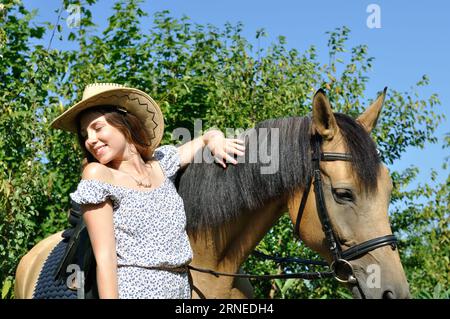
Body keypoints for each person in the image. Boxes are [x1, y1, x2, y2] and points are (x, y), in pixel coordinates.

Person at [51, 83, 245, 299]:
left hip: (181, 288)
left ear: (123, 123)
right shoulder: (99, 175)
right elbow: (105, 258)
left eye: (97, 128)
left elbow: (206, 137)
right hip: (137, 289)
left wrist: (216, 140)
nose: (90, 140)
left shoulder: (162, 163)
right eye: (84, 134)